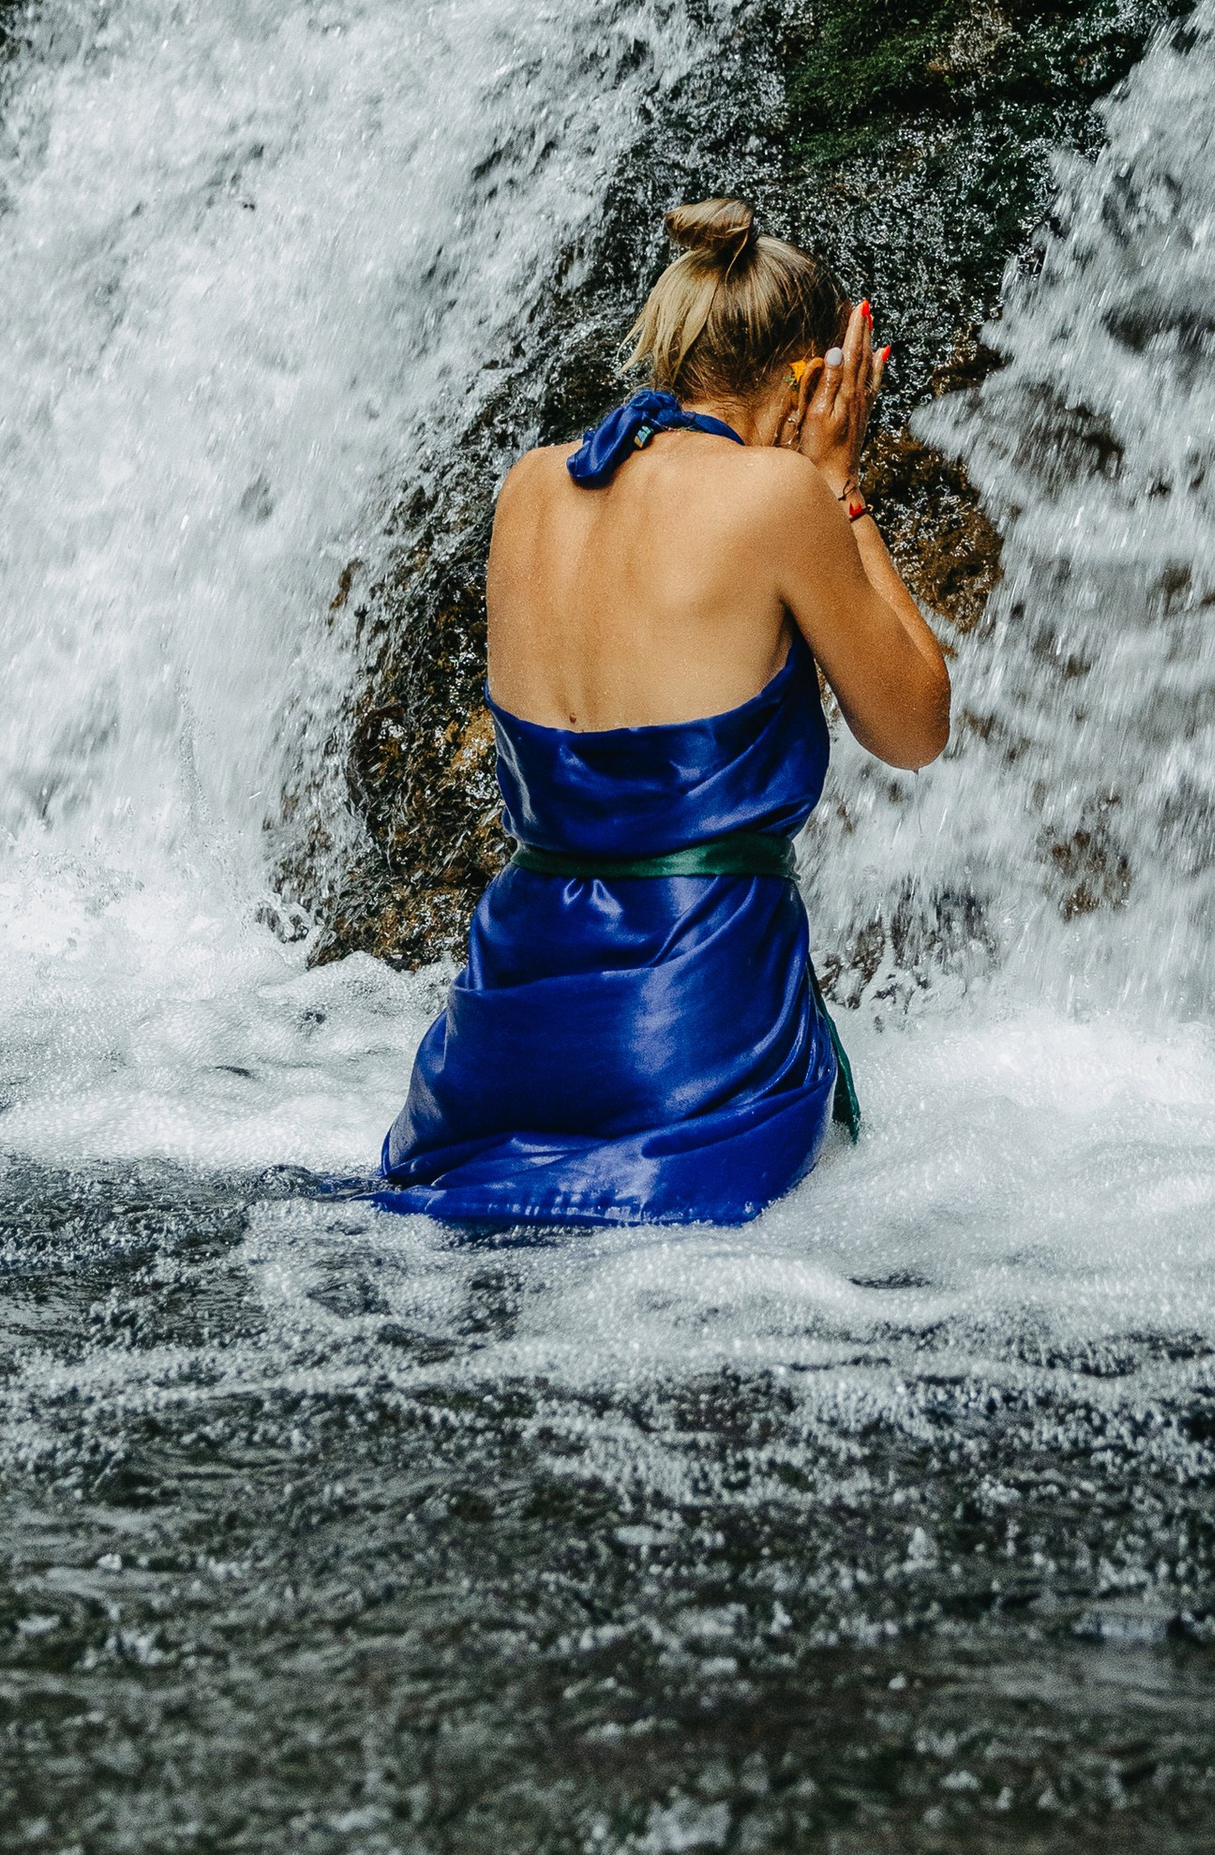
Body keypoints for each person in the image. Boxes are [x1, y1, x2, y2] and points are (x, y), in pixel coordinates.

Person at [377, 199, 951, 1228]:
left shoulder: (531, 487)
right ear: (807, 380)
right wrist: (839, 487)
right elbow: (913, 726)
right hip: (686, 1028)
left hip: (499, 1034)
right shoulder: (780, 496)